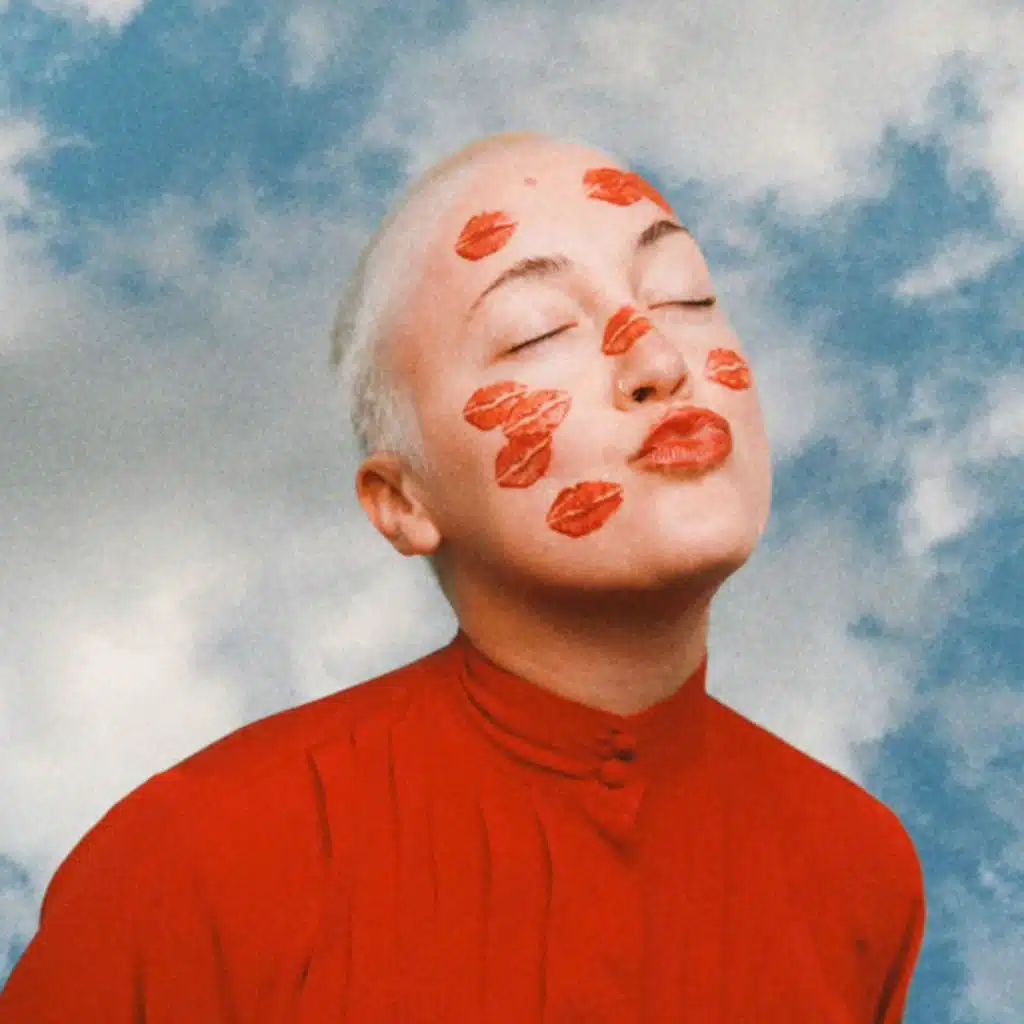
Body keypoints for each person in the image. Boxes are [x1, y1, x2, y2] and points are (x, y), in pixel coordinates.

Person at [0, 131, 927, 1022]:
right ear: (402, 501)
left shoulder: (858, 868)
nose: (658, 359)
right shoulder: (195, 860)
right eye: (536, 333)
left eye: (686, 296)